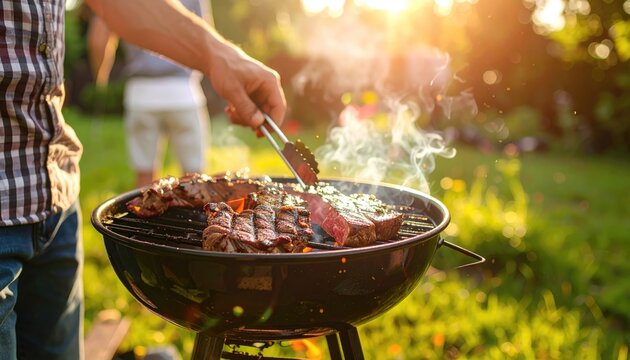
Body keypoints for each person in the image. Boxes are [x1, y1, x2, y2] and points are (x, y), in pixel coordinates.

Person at [0, 0, 286, 359]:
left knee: (157, 177)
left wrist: (222, 56)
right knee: (178, 176)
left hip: (55, 195)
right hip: (7, 204)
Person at [87, 0, 213, 188]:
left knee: (145, 182)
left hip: (141, 95)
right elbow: (207, 38)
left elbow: (97, 41)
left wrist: (101, 79)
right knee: (194, 179)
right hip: (183, 94)